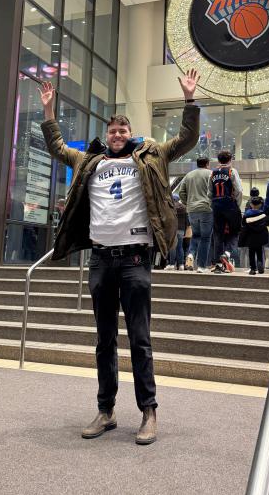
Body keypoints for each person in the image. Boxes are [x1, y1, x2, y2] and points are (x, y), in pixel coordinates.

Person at [39, 69, 200, 446]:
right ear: (106, 135)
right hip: (100, 260)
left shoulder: (152, 155)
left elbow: (186, 139)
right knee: (104, 340)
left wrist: (189, 100)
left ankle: (149, 411)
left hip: (135, 260)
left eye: (123, 130)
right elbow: (58, 147)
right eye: (112, 131)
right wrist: (48, 112)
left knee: (140, 338)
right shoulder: (89, 161)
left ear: (131, 135)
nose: (117, 134)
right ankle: (106, 410)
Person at [208, 150, 242, 274]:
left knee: (218, 234)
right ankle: (227, 254)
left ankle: (217, 264)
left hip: (216, 205)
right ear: (230, 160)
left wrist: (213, 205)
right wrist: (237, 205)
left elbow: (209, 192)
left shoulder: (212, 173)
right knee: (235, 231)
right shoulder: (232, 171)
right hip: (230, 204)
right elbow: (238, 190)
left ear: (218, 160)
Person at [177, 158, 213, 273]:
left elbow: (181, 192)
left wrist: (187, 203)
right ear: (207, 164)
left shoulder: (189, 175)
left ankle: (191, 254)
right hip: (206, 209)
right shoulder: (211, 174)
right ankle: (201, 266)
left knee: (196, 235)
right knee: (205, 238)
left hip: (192, 210)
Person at [238, 196, 269, 274]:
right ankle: (260, 263)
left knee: (251, 253)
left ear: (251, 204)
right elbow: (268, 223)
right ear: (260, 205)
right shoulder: (263, 214)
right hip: (260, 237)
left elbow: (243, 224)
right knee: (259, 251)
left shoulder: (247, 214)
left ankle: (252, 268)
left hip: (250, 237)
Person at [165, 194, 186, 271]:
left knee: (172, 247)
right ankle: (181, 265)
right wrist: (185, 230)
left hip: (172, 229)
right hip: (181, 230)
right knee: (180, 247)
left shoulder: (170, 207)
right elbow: (186, 220)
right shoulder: (184, 208)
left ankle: (172, 264)